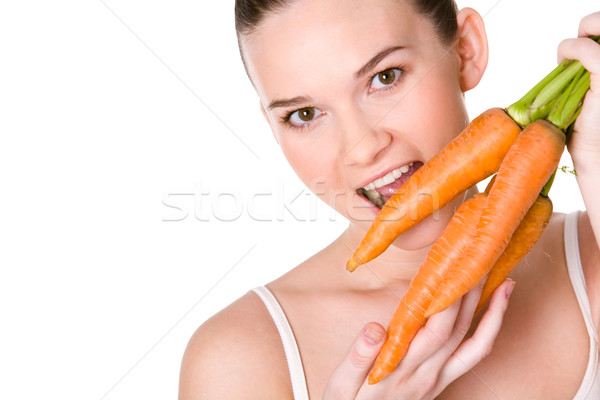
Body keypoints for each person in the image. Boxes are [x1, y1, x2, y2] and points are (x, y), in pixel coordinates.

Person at [179, 0, 600, 398]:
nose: (361, 147)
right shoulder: (238, 358)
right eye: (304, 114)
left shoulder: (590, 256)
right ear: (273, 128)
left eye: (384, 77)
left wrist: (596, 159)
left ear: (465, 50)